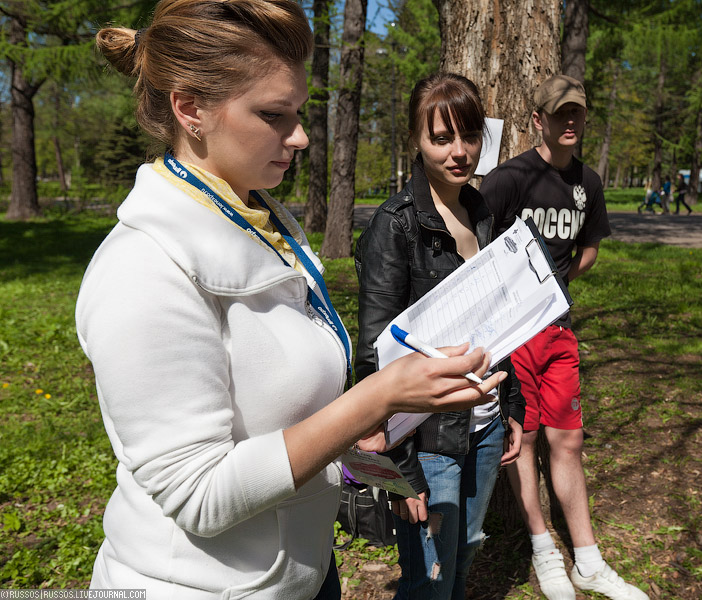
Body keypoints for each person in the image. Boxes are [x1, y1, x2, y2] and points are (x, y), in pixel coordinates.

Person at [79, 4, 505, 598]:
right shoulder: (143, 267)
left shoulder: (261, 219)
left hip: (301, 570)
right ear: (190, 108)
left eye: (298, 113)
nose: (301, 136)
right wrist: (376, 398)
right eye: (274, 115)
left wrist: (363, 428)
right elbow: (198, 494)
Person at [354, 72, 525, 600]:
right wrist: (398, 471)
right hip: (427, 442)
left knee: (467, 547)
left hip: (486, 424)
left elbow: (500, 319)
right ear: (416, 139)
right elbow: (373, 356)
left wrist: (511, 402)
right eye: (442, 137)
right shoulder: (396, 226)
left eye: (469, 136)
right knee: (427, 578)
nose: (460, 151)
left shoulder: (484, 211)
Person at [480, 74, 648, 600]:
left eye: (577, 114)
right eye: (560, 114)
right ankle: (542, 547)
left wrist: (556, 287)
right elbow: (479, 256)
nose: (570, 123)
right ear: (538, 120)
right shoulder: (508, 180)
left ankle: (589, 561)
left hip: (558, 332)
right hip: (513, 336)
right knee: (523, 439)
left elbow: (589, 249)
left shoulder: (589, 183)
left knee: (568, 440)